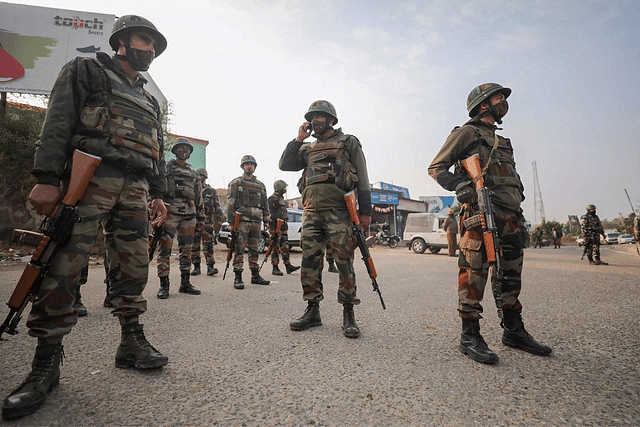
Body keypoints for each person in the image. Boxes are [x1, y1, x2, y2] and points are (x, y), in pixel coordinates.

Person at [2, 15, 169, 420]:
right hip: (90, 179)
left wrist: (160, 193)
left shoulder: (149, 98)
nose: (149, 49)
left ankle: (132, 341)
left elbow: (157, 147)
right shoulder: (86, 69)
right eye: (143, 41)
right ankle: (46, 364)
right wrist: (45, 178)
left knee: (132, 267)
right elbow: (57, 120)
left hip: (136, 188)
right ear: (122, 42)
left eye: (153, 44)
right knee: (64, 264)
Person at [428, 83, 552, 364]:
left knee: (510, 275)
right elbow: (436, 167)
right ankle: (469, 335)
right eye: (499, 98)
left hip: (510, 217)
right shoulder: (466, 133)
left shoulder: (503, 141)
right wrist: (460, 185)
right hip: (480, 215)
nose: (503, 102)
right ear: (484, 104)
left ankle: (513, 330)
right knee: (474, 274)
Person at [279, 100, 372, 339]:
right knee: (309, 262)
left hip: (340, 212)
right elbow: (285, 165)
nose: (315, 121)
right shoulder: (307, 148)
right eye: (312, 117)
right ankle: (313, 310)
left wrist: (365, 213)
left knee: (344, 262)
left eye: (320, 116)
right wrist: (299, 138)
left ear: (331, 119)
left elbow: (362, 176)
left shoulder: (348, 141)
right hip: (311, 213)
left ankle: (348, 313)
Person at [156, 138, 204, 298]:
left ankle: (185, 283)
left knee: (187, 249)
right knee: (165, 248)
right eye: (181, 148)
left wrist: (201, 217)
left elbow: (199, 197)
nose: (184, 151)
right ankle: (164, 285)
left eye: (187, 149)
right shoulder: (167, 168)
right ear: (175, 150)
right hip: (170, 212)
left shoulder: (194, 173)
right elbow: (159, 188)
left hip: (189, 214)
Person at [226, 155, 271, 289]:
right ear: (243, 167)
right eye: (247, 164)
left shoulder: (260, 185)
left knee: (254, 249)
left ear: (255, 167)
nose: (249, 166)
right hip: (242, 221)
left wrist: (266, 220)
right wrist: (230, 222)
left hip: (256, 220)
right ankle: (238, 277)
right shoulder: (236, 182)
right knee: (239, 249)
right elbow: (230, 202)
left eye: (252, 164)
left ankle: (255, 276)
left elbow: (265, 204)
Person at [191, 168, 223, 276]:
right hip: (194, 221)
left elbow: (217, 206)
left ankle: (210, 267)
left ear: (205, 178)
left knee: (208, 245)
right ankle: (196, 267)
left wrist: (219, 219)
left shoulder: (211, 191)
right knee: (194, 245)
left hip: (208, 222)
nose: (200, 178)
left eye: (202, 176)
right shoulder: (192, 190)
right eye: (199, 176)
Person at [267, 180, 300, 276]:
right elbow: (271, 214)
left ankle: (288, 266)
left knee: (285, 246)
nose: (285, 189)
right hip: (276, 226)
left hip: (283, 226)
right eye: (284, 187)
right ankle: (275, 267)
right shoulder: (272, 199)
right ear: (280, 188)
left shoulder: (282, 199)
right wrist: (273, 228)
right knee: (275, 247)